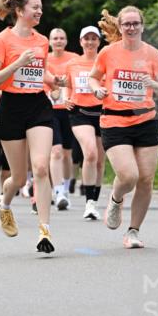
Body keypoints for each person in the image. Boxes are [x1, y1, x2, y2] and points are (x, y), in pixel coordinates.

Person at [0, 0, 63, 253]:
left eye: (41, 7)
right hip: (10, 109)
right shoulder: (2, 40)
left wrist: (54, 81)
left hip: (38, 106)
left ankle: (45, 231)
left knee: (41, 167)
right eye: (35, 7)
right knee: (18, 179)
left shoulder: (42, 41)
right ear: (19, 10)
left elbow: (38, 73)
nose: (40, 11)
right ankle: (4, 204)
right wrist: (17, 62)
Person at [89, 6, 158, 248]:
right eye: (126, 23)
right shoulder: (108, 53)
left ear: (142, 26)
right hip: (114, 120)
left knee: (146, 180)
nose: (131, 27)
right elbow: (93, 76)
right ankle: (116, 199)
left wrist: (153, 84)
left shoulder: (152, 54)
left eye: (135, 23)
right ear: (120, 27)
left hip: (145, 120)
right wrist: (96, 89)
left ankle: (133, 232)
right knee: (129, 175)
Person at [65, 26, 106, 219]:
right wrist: (66, 98)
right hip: (79, 113)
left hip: (104, 112)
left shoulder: (106, 62)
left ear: (99, 41)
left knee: (99, 161)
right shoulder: (73, 63)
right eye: (86, 39)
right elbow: (68, 85)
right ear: (81, 42)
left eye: (94, 39)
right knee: (90, 152)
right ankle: (88, 203)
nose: (90, 42)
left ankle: (94, 201)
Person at [46, 27, 77, 211]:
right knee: (55, 152)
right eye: (55, 38)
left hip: (69, 109)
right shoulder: (44, 59)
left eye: (61, 38)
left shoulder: (74, 58)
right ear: (50, 41)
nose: (58, 41)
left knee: (67, 154)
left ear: (66, 41)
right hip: (49, 110)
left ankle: (65, 188)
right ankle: (58, 192)